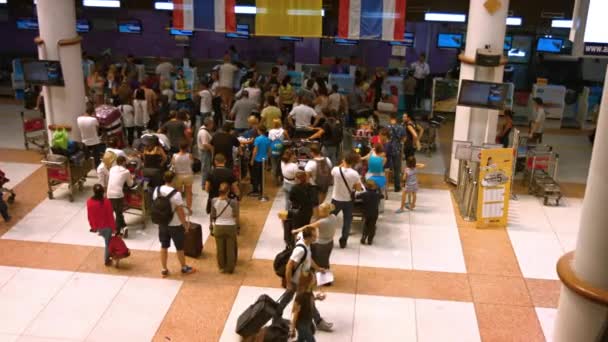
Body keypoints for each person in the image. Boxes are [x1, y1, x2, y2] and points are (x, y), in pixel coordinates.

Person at [279, 226, 333, 333]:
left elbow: (308, 258)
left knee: (291, 299)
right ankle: (318, 321)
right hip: (297, 281)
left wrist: (318, 268)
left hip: (303, 280)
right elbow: (289, 266)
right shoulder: (300, 250)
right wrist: (289, 283)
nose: (316, 237)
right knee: (304, 300)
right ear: (308, 237)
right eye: (314, 236)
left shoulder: (306, 243)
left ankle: (318, 321)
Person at [153, 171, 195, 277]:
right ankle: (184, 267)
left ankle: (164, 269)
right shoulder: (176, 194)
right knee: (179, 247)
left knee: (164, 245)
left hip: (162, 223)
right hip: (175, 224)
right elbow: (180, 211)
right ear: (174, 180)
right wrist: (185, 224)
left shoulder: (157, 190)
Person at [331, 152, 363, 249]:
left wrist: (343, 163)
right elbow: (358, 189)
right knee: (347, 221)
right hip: (348, 200)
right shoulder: (355, 174)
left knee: (330, 219)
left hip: (336, 199)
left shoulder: (335, 170)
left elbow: (336, 170)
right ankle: (343, 241)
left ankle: (328, 238)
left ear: (344, 160)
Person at [211, 182, 239, 273]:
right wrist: (237, 227)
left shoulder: (214, 201)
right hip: (230, 226)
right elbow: (236, 215)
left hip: (218, 226)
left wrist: (211, 225)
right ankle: (230, 268)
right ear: (228, 191)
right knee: (230, 248)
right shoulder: (233, 202)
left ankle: (222, 267)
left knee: (220, 248)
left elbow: (212, 215)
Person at [86, 184, 116, 266]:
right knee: (108, 244)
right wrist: (114, 228)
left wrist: (92, 226)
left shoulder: (89, 202)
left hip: (98, 227)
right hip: (107, 227)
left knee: (107, 242)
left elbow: (89, 216)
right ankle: (107, 260)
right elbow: (110, 216)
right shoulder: (106, 202)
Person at [290, 272, 322, 341]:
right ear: (308, 282)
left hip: (307, 322)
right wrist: (292, 328)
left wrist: (317, 298)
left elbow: (308, 301)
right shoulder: (300, 295)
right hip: (302, 324)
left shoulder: (309, 292)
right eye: (313, 279)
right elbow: (295, 312)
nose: (315, 280)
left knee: (301, 339)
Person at [107, 156, 133, 235]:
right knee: (118, 213)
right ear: (124, 162)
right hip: (118, 194)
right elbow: (130, 184)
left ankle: (124, 226)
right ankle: (117, 230)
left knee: (116, 212)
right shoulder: (126, 171)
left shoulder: (112, 169)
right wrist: (132, 178)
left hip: (109, 193)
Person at [307, 202, 338, 270]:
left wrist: (296, 230)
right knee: (325, 260)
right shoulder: (333, 216)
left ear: (324, 212)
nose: (318, 212)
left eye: (320, 211)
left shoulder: (322, 221)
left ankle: (324, 278)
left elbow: (308, 227)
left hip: (322, 244)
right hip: (330, 242)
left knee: (320, 263)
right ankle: (326, 274)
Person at [77, 102, 104, 166]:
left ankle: (85, 170)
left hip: (84, 141)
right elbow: (97, 128)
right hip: (94, 140)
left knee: (86, 157)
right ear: (92, 113)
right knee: (96, 157)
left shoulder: (79, 119)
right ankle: (97, 168)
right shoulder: (93, 119)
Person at [356, 180, 382, 245]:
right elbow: (382, 196)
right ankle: (370, 240)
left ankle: (364, 236)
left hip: (366, 212)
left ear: (366, 187)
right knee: (372, 226)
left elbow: (356, 196)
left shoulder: (364, 194)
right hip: (374, 213)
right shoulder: (377, 195)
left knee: (366, 224)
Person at [171, 141, 194, 210]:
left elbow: (173, 165)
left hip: (178, 176)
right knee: (188, 193)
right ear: (187, 148)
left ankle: (179, 208)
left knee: (178, 193)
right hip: (188, 175)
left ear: (179, 147)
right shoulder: (189, 155)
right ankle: (189, 209)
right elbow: (192, 163)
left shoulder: (174, 156)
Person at [388, 114, 407, 192]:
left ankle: (385, 186)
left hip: (388, 149)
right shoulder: (401, 128)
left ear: (391, 119)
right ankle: (397, 187)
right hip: (397, 150)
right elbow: (404, 139)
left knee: (386, 168)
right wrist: (400, 142)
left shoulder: (387, 127)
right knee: (397, 169)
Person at [269, 119, 289, 185]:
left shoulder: (271, 131)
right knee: (281, 164)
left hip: (273, 150)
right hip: (281, 150)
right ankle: (282, 179)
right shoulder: (284, 131)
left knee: (274, 165)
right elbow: (288, 140)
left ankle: (275, 180)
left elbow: (269, 141)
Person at [197, 117, 214, 189]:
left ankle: (207, 183)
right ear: (209, 124)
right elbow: (205, 144)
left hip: (205, 152)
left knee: (207, 168)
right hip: (205, 152)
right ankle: (204, 184)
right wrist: (212, 148)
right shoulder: (203, 132)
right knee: (206, 169)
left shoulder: (203, 129)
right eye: (212, 124)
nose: (213, 125)